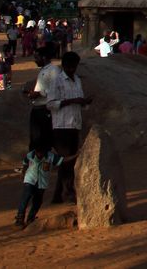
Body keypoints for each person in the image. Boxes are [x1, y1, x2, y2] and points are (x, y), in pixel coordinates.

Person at [45, 51, 90, 203]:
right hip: (61, 126)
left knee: (69, 161)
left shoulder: (77, 79)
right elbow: (50, 104)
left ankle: (58, 195)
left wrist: (83, 102)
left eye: (75, 67)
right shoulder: (56, 81)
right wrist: (71, 101)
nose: (72, 70)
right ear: (64, 66)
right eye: (70, 67)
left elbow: (80, 100)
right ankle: (68, 192)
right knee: (66, 161)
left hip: (74, 124)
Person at [14, 142, 71, 228]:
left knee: (37, 201)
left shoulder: (50, 156)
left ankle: (31, 218)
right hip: (30, 180)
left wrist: (76, 155)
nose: (40, 154)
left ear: (45, 152)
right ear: (36, 151)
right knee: (26, 197)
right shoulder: (30, 155)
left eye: (42, 152)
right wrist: (23, 173)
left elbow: (63, 160)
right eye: (38, 152)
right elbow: (25, 163)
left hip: (41, 183)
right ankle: (19, 219)